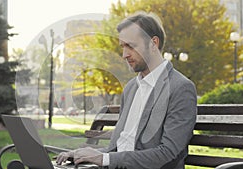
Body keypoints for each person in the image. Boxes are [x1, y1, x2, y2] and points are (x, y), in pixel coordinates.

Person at [56, 11, 197, 169]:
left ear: (153, 44)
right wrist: (82, 154)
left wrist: (104, 159)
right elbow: (119, 149)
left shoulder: (180, 88)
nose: (124, 55)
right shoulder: (131, 88)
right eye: (122, 47)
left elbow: (168, 153)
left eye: (131, 46)